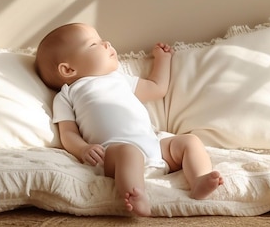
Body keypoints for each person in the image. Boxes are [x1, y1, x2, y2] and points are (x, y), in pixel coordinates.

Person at [35, 22, 223, 216]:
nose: (106, 43)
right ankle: (136, 194)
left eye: (102, 40)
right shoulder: (67, 94)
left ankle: (199, 179)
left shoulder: (119, 78)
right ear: (68, 70)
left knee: (189, 141)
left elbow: (157, 87)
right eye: (94, 44)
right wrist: (83, 149)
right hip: (113, 152)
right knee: (128, 152)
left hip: (155, 147)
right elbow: (68, 133)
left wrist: (163, 59)